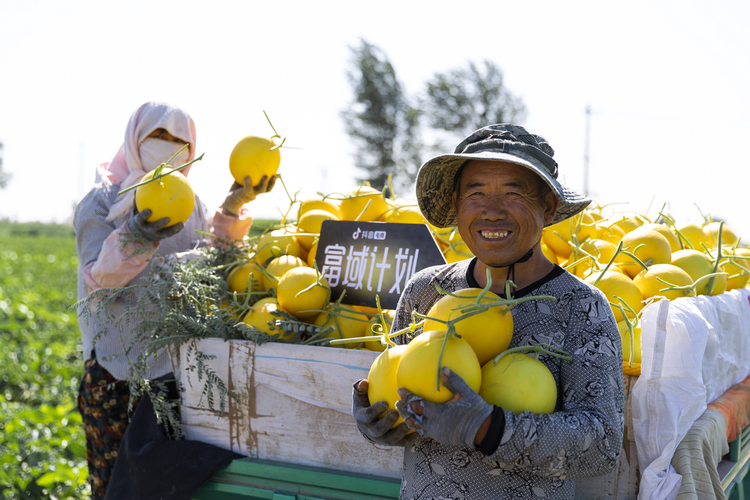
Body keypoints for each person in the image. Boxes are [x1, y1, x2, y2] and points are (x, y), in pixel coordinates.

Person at [352, 124, 624, 499]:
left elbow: (603, 446)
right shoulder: (425, 291)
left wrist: (487, 427)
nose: (492, 212)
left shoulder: (583, 307)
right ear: (456, 202)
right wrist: (376, 422)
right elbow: (400, 396)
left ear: (547, 207)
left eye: (513, 193)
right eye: (476, 193)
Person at [74, 101, 274, 499]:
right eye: (157, 136)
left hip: (175, 376)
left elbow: (213, 260)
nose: (168, 146)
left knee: (161, 489)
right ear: (135, 139)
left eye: (179, 140)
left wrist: (232, 207)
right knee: (113, 486)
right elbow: (100, 278)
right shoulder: (101, 201)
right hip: (115, 375)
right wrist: (136, 232)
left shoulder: (192, 203)